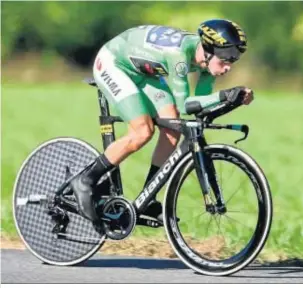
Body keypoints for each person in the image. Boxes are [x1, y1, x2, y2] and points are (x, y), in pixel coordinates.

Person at [71, 19, 254, 225]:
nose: (228, 67)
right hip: (113, 64)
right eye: (225, 59)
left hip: (144, 71)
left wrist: (234, 99)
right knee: (142, 131)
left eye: (233, 60)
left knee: (172, 127)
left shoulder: (206, 63)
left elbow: (199, 107)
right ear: (208, 50)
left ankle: (148, 199)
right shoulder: (179, 57)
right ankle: (85, 180)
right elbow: (186, 104)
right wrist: (224, 95)